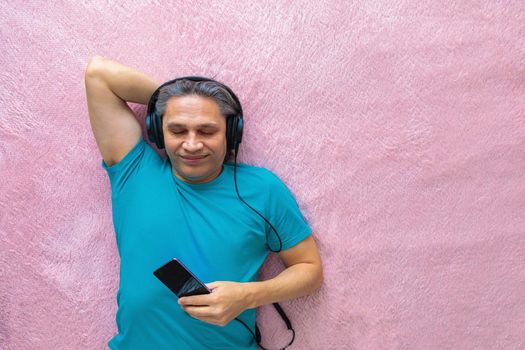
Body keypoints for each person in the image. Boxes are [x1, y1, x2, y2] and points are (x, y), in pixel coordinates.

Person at [84, 56, 323, 350]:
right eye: (177, 130)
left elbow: (309, 269)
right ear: (159, 131)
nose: (192, 144)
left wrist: (247, 296)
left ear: (231, 132)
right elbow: (98, 76)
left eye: (207, 131)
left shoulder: (263, 189)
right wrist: (178, 100)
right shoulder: (133, 171)